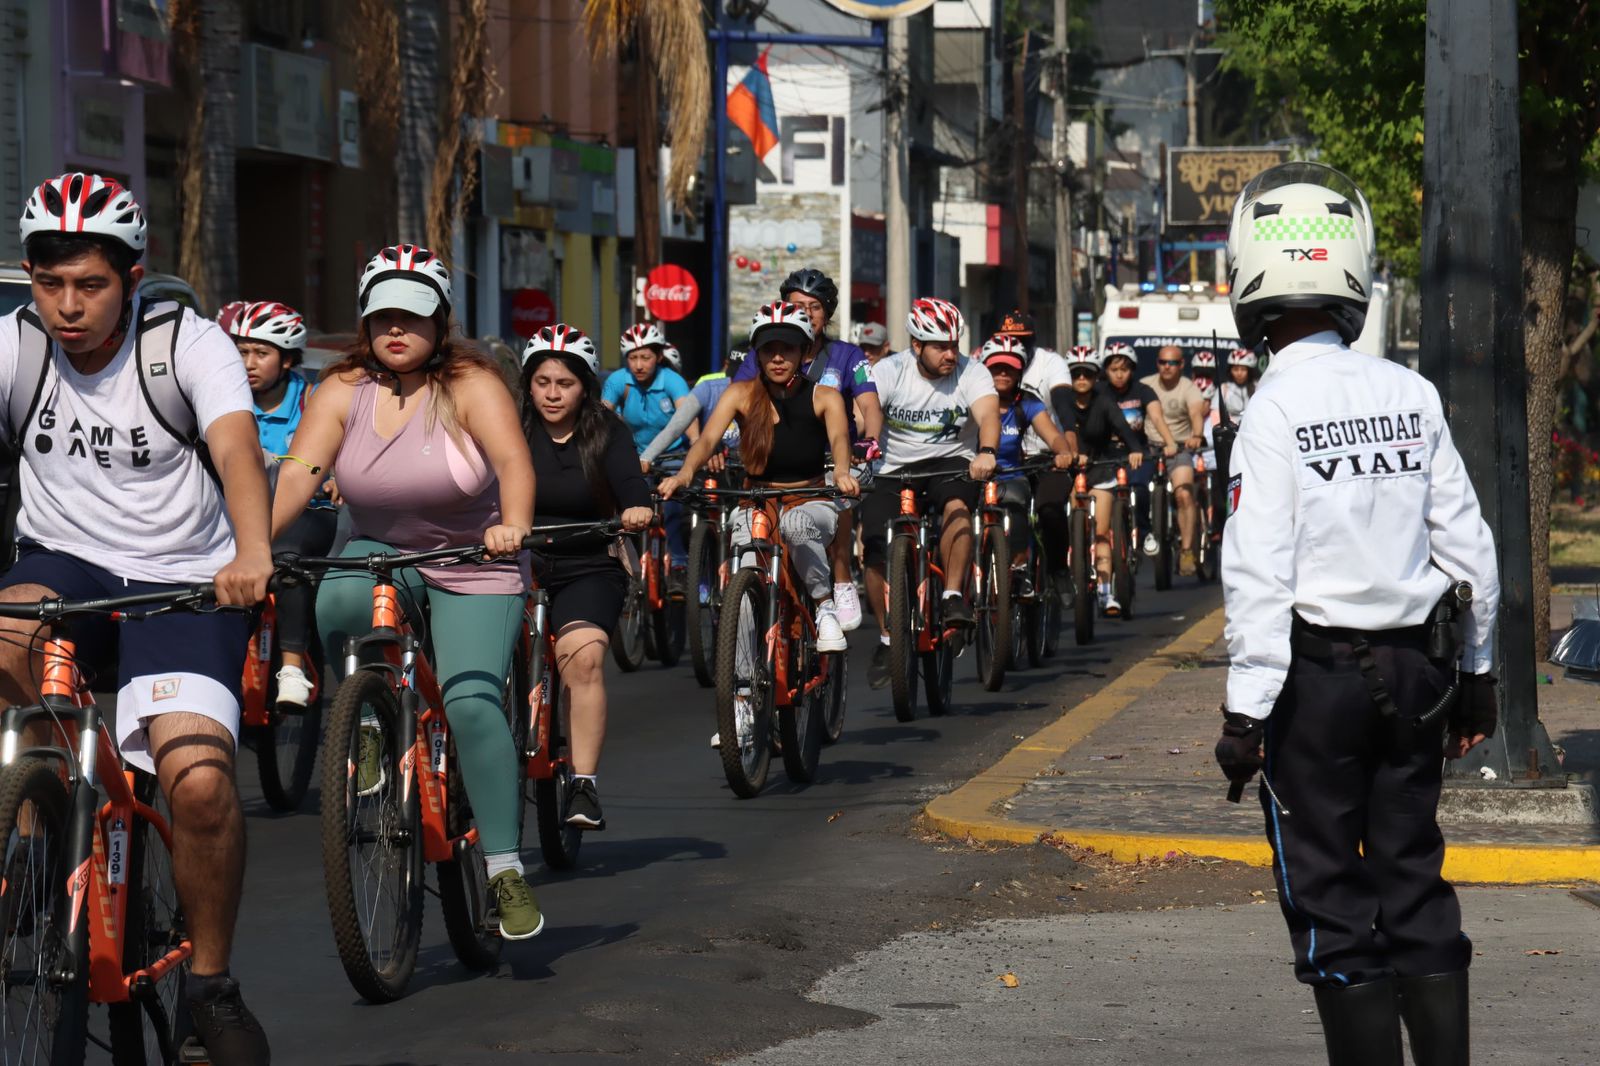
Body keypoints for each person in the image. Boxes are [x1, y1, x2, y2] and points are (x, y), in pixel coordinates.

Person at [1213, 162, 1500, 1066]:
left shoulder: (1271, 408)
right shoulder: (1408, 393)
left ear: (1250, 280)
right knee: (1414, 875)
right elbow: (1471, 549)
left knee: (1332, 896)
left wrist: (1245, 712)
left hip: (1317, 684)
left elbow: (1258, 570)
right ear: (1354, 276)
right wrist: (1480, 676)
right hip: (1419, 674)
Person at [0, 173, 273, 1063]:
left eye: (90, 284)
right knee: (3, 634)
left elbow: (236, 447)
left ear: (132, 275)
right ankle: (37, 820)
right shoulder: (16, 345)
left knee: (197, 783)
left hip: (186, 582)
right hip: (66, 564)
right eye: (49, 284)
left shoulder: (186, 344)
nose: (68, 307)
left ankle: (210, 985)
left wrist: (251, 553)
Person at [270, 243, 544, 941]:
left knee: (471, 700)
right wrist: (251, 543)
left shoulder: (472, 384)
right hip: (383, 552)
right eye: (383, 317)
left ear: (441, 322)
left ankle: (505, 869)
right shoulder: (340, 390)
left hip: (474, 560)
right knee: (333, 594)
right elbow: (301, 471)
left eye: (414, 318)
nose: (398, 330)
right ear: (364, 322)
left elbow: (514, 460)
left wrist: (512, 525)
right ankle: (368, 721)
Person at [659, 301, 860, 649]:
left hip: (811, 499)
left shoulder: (824, 396)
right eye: (769, 350)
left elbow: (840, 438)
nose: (778, 358)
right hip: (758, 499)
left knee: (797, 525)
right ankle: (741, 691)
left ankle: (824, 604)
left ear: (802, 351)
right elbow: (708, 438)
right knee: (746, 577)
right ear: (758, 354)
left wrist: (841, 471)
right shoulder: (739, 393)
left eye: (787, 349)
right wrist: (684, 473)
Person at [519, 323, 653, 830]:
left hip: (588, 563)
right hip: (517, 562)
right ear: (528, 384)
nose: (553, 394)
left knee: (584, 660)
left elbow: (628, 480)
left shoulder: (607, 429)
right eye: (543, 382)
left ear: (586, 386)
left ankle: (583, 784)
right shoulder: (509, 426)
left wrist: (636, 507)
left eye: (566, 383)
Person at [860, 297, 999, 688]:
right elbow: (866, 409)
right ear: (917, 346)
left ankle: (953, 594)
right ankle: (889, 636)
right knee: (872, 544)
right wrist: (861, 440)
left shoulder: (972, 372)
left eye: (954, 344)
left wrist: (986, 451)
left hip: (951, 462)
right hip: (892, 468)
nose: (950, 354)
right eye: (940, 346)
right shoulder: (890, 369)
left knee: (957, 507)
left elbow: (988, 413)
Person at [734, 268, 883, 632]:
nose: (807, 312)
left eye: (814, 307)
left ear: (826, 313)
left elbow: (870, 406)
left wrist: (871, 441)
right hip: (774, 457)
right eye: (797, 305)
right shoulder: (763, 352)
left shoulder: (848, 356)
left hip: (836, 453)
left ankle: (843, 575)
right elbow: (734, 402)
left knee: (838, 485)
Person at [225, 300, 337, 707]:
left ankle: (292, 669)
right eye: (240, 351)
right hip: (239, 512)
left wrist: (338, 475)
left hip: (307, 512)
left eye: (261, 353)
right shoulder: (223, 401)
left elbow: (345, 445)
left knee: (288, 561)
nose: (248, 363)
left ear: (287, 359)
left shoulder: (315, 400)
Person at [603, 322, 698, 591]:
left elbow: (687, 416)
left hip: (673, 454)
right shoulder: (617, 380)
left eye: (645, 357)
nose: (639, 365)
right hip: (634, 455)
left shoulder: (672, 380)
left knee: (671, 504)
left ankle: (678, 562)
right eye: (633, 358)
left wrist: (695, 443)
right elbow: (601, 417)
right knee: (625, 505)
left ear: (658, 356)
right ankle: (623, 562)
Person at [994, 309, 1076, 594]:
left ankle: (1057, 569)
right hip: (998, 461)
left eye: (1022, 340)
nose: (1015, 345)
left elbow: (1064, 406)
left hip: (1042, 455)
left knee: (1050, 509)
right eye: (1008, 338)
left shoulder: (1049, 362)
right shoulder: (987, 360)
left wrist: (1068, 451)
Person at [1061, 347, 1144, 617]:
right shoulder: (1060, 402)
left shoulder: (1104, 401)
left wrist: (1134, 449)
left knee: (1101, 531)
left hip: (1100, 470)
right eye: (1076, 373)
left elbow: (1122, 426)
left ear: (1097, 377)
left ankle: (1107, 591)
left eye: (1088, 373)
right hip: (1070, 473)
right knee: (1073, 526)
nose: (1081, 378)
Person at [1099, 342, 1177, 557]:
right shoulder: (1099, 391)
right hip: (1105, 455)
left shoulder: (1142, 390)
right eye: (1114, 370)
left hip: (1137, 453)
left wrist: (1170, 442)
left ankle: (1144, 532)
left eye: (1124, 370)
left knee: (1141, 489)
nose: (1119, 375)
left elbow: (1157, 417)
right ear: (1106, 371)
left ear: (1132, 369)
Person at [1141, 346, 1207, 576]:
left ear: (1181, 365)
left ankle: (1187, 550)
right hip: (1149, 448)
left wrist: (1196, 436)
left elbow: (1196, 413)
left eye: (1171, 363)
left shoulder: (1188, 388)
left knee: (1184, 494)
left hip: (1179, 448)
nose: (1166, 367)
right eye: (1162, 362)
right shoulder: (1146, 384)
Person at [1222, 347, 1259, 419]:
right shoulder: (1224, 388)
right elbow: (1215, 414)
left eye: (1243, 369)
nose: (1239, 373)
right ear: (1230, 371)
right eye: (1235, 369)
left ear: (1250, 371)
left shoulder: (1258, 387)